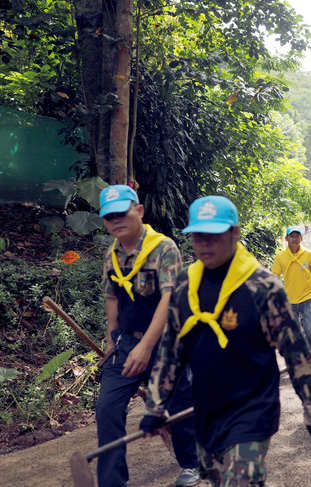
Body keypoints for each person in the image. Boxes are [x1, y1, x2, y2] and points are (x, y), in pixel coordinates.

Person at [140, 196, 311, 486]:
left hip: (253, 409)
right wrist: (155, 406)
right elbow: (171, 350)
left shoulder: (262, 287)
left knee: (241, 480)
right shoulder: (184, 285)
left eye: (214, 235)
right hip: (208, 411)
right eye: (199, 235)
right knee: (219, 479)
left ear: (235, 233)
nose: (205, 243)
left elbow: (295, 351)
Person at [96, 185, 199, 487]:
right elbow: (112, 299)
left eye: (121, 212)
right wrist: (111, 341)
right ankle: (113, 481)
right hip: (126, 342)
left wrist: (146, 346)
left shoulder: (164, 248)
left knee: (179, 403)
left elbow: (169, 301)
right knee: (107, 407)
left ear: (139, 211)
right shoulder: (111, 256)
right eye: (108, 216)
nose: (116, 220)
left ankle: (192, 464)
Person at [271, 225, 311, 350]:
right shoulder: (281, 256)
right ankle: (296, 358)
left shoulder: (308, 254)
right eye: (291, 236)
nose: (294, 239)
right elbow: (274, 277)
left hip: (308, 297)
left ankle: (309, 352)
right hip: (289, 299)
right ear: (286, 238)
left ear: (301, 238)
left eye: (297, 236)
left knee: (310, 329)